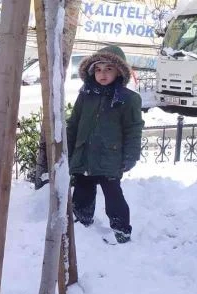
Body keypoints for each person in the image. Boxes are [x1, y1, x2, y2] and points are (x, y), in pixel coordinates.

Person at [67, 45, 144, 244]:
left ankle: (122, 231)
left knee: (113, 196)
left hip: (110, 158)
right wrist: (68, 150)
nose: (102, 74)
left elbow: (133, 130)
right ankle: (82, 228)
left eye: (108, 69)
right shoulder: (85, 95)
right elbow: (74, 123)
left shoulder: (128, 99)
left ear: (119, 71)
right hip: (84, 156)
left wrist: (130, 156)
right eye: (98, 69)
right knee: (82, 194)